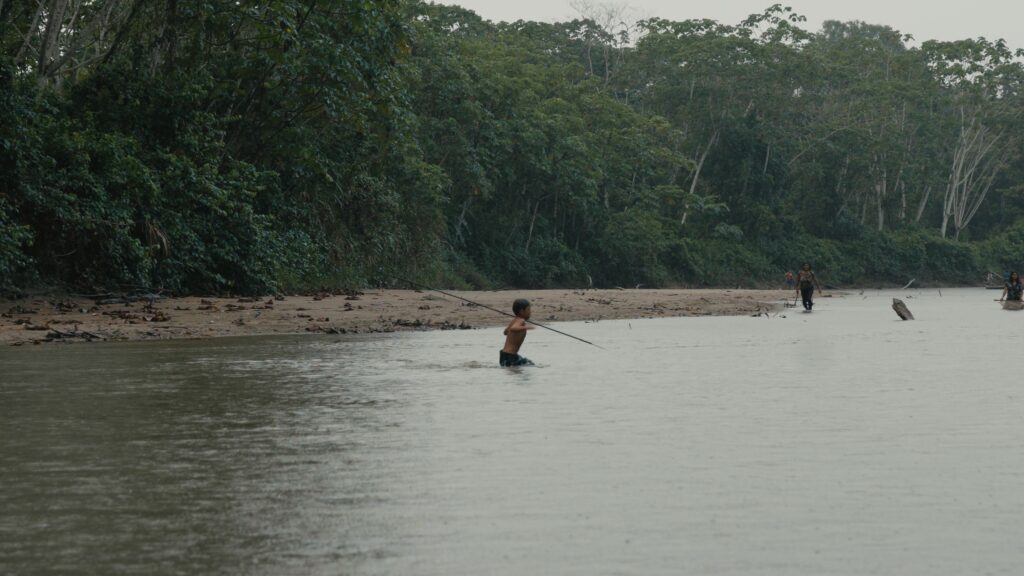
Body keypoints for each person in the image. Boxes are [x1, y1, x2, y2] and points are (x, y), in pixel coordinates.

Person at [500, 299, 535, 367]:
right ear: (522, 311)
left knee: (528, 363)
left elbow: (505, 332)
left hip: (504, 355)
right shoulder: (521, 321)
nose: (530, 312)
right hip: (510, 356)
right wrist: (527, 327)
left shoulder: (515, 320)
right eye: (528, 310)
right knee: (529, 365)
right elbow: (513, 328)